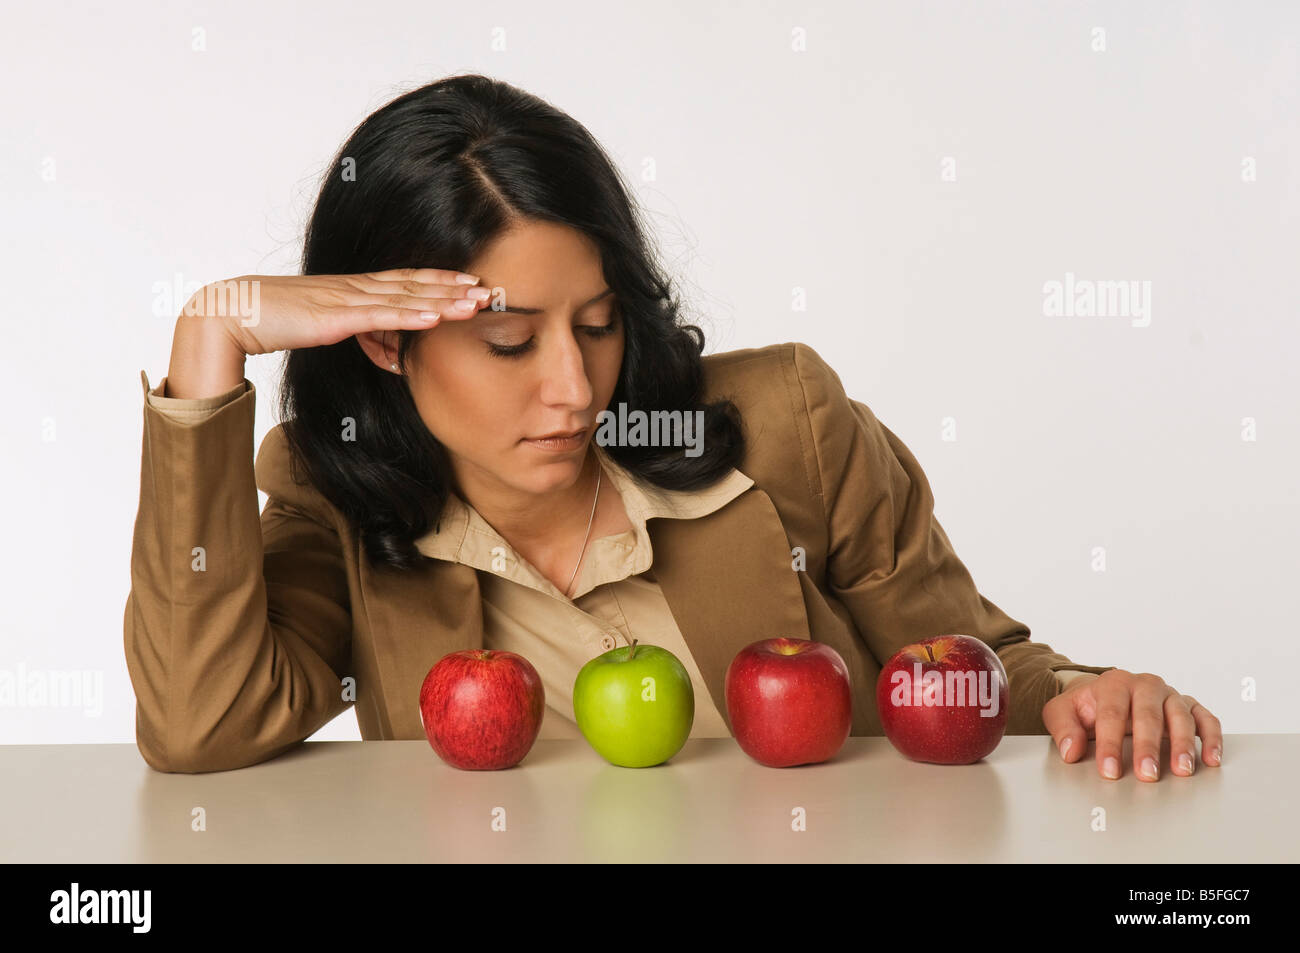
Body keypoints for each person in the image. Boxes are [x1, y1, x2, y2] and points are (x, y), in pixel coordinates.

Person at [124, 73, 1222, 779]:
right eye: (509, 343)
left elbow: (964, 671)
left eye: (596, 325)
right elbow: (200, 722)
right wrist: (209, 337)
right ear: (384, 343)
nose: (572, 387)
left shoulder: (789, 426)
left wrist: (1089, 694)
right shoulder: (341, 497)